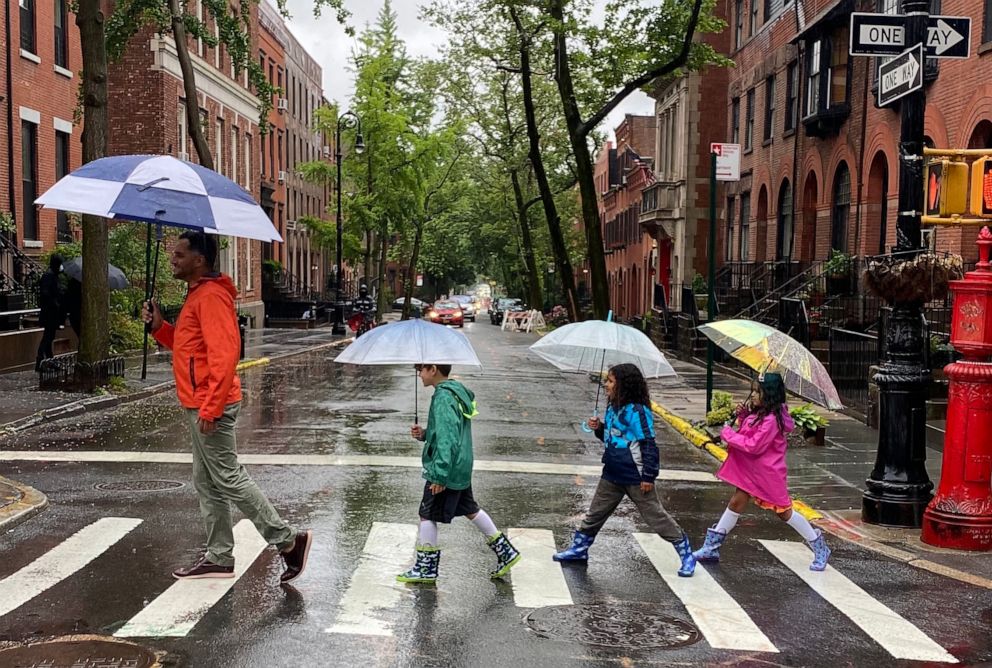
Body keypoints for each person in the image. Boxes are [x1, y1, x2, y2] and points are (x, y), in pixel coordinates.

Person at [143, 231, 312, 583]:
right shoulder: (197, 295)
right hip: (199, 400)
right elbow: (190, 347)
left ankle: (288, 541)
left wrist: (211, 407)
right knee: (207, 482)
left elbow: (224, 356)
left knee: (228, 477)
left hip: (209, 402)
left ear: (199, 260)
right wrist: (159, 327)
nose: (172, 259)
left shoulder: (211, 297)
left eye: (179, 254)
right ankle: (219, 555)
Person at [553, 363, 696, 578]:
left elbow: (648, 444)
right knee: (595, 513)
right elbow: (611, 438)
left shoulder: (637, 412)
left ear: (624, 385)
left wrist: (649, 475)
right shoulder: (613, 407)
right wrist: (599, 428)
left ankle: (686, 553)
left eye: (610, 381)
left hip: (636, 476)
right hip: (612, 473)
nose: (606, 385)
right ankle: (579, 550)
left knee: (655, 516)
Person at [693, 372, 830, 571]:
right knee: (736, 502)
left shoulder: (772, 420)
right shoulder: (760, 414)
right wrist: (742, 416)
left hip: (767, 475)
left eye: (758, 392)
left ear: (770, 394)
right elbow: (749, 432)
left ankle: (820, 547)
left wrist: (728, 434)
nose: (754, 395)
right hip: (751, 472)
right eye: (753, 391)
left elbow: (754, 445)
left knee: (785, 512)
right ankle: (711, 547)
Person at [397, 363, 521, 584]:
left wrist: (439, 475)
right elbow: (445, 431)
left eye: (421, 370)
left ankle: (426, 568)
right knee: (469, 508)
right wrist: (424, 434)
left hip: (447, 468)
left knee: (427, 512)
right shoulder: (456, 391)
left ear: (433, 369)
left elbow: (448, 438)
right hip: (461, 464)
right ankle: (506, 552)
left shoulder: (443, 397)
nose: (419, 375)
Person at [36, 254, 64, 372]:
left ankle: (49, 360)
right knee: (47, 337)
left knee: (49, 337)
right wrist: (55, 303)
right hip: (49, 313)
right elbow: (45, 293)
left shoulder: (53, 276)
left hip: (52, 313)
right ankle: (40, 362)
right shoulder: (49, 276)